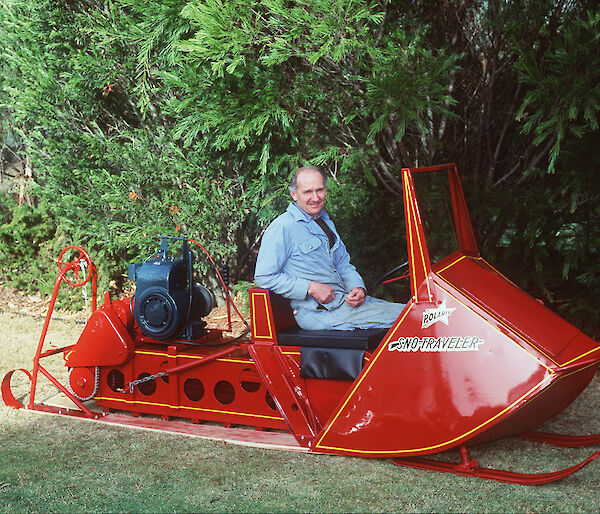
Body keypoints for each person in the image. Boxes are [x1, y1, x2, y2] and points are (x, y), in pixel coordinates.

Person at [254, 165, 405, 330]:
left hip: (345, 305)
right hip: (319, 314)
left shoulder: (324, 220)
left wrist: (357, 287)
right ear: (294, 195)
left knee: (417, 313)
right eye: (307, 192)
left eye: (320, 190)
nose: (315, 197)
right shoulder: (283, 227)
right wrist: (310, 288)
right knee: (414, 317)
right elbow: (264, 277)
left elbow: (342, 263)